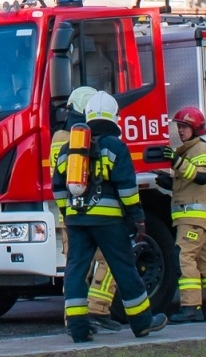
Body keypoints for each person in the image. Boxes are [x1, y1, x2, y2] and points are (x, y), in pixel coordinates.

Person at [51, 91, 167, 343]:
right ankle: (142, 323)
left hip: (76, 220)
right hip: (108, 221)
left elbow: (58, 187)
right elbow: (127, 187)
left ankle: (79, 329)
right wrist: (136, 217)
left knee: (75, 271)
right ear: (115, 118)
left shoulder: (68, 148)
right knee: (123, 268)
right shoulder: (115, 146)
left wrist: (67, 212)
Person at [48, 87, 122, 332]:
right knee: (112, 259)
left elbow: (58, 180)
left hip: (69, 215)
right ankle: (98, 310)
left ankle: (75, 321)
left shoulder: (59, 138)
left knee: (76, 269)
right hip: (97, 212)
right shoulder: (92, 138)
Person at [156, 106, 206, 323]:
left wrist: (176, 163)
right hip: (197, 218)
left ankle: (190, 307)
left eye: (185, 127)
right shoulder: (190, 151)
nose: (180, 131)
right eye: (179, 126)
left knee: (183, 257)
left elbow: (202, 177)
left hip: (194, 218)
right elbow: (190, 182)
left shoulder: (200, 150)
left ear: (196, 128)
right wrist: (170, 181)